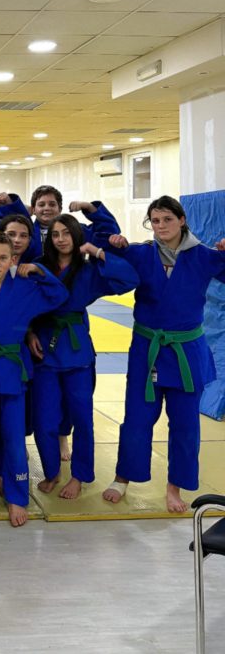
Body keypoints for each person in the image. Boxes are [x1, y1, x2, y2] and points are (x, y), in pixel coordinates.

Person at [102, 196, 225, 513]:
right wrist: (113, 241)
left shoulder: (204, 256)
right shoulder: (141, 253)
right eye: (155, 221)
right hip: (147, 350)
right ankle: (122, 477)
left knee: (185, 424)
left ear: (182, 220)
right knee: (136, 417)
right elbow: (102, 254)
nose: (160, 226)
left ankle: (175, 487)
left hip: (187, 351)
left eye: (167, 219)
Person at [0, 232, 68, 526]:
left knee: (14, 440)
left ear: (13, 260)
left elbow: (59, 295)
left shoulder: (24, 287)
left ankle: (17, 496)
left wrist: (39, 271)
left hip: (11, 373)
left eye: (3, 258)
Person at [28, 214, 139, 499]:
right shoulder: (40, 266)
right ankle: (51, 471)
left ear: (77, 236)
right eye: (55, 234)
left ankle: (79, 476)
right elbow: (20, 303)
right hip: (44, 348)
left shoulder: (89, 269)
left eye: (67, 233)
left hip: (77, 352)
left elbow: (129, 278)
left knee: (82, 418)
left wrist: (98, 251)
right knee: (45, 419)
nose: (61, 239)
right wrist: (28, 333)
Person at [28, 185, 120, 259]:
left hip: (72, 276)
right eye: (41, 205)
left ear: (60, 209)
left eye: (52, 204)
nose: (47, 208)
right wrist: (23, 211)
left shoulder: (76, 230)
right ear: (34, 210)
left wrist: (89, 207)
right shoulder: (26, 233)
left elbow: (110, 230)